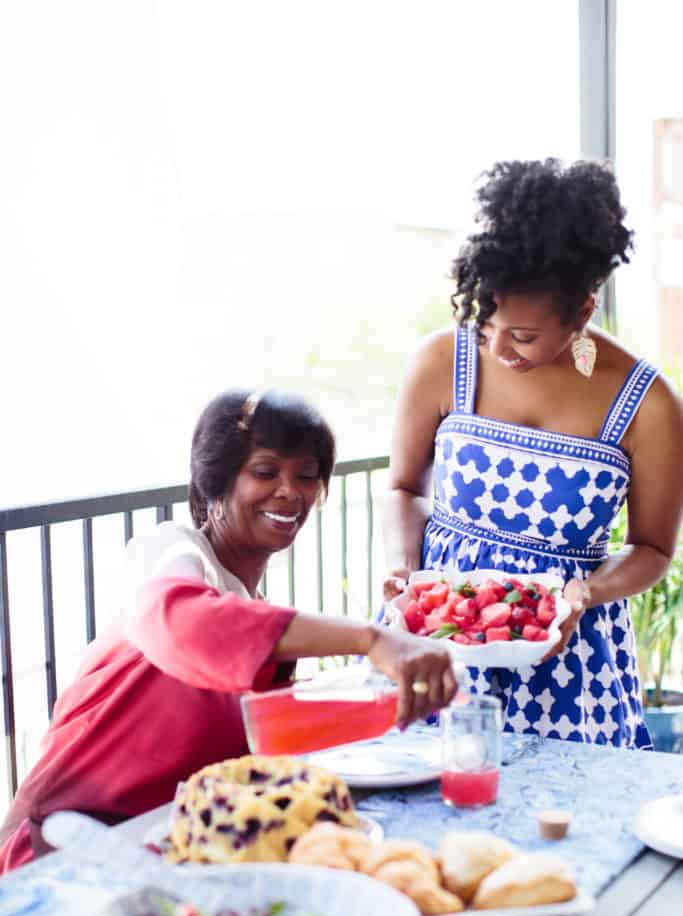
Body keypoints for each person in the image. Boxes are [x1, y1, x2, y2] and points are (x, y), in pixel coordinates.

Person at [0, 389, 458, 872]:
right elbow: (187, 623)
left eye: (306, 476)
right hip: (60, 852)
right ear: (215, 481)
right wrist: (371, 638)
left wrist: (413, 676)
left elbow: (271, 734)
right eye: (264, 472)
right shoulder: (168, 552)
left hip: (166, 855)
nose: (289, 491)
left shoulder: (251, 606)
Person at [383, 158, 683, 749]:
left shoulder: (648, 403)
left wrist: (588, 593)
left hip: (569, 660)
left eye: (522, 335)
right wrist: (400, 567)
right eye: (484, 321)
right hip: (439, 638)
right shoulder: (444, 360)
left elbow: (652, 548)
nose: (497, 347)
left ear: (582, 312)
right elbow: (405, 488)